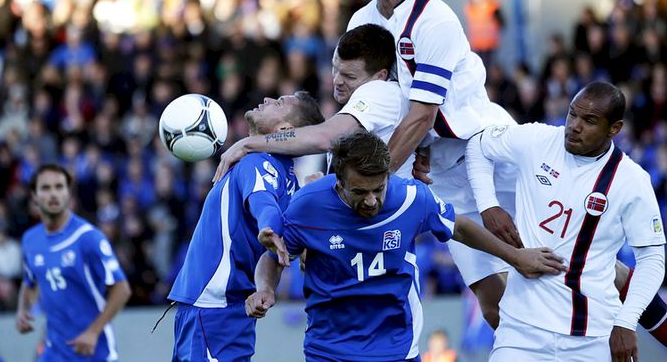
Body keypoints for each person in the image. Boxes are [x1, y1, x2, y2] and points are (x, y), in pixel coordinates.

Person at [345, 0, 667, 341]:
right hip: (442, 172)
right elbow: (376, 106)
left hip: (491, 152)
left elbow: (423, 114)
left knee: (567, 260)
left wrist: (376, 178)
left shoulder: (434, 18)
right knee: (495, 306)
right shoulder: (360, 21)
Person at [246, 131, 566, 362]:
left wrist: (516, 257)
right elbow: (274, 254)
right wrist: (266, 288)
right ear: (338, 183)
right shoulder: (308, 206)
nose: (371, 200)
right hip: (329, 348)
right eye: (360, 191)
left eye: (378, 188)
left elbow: (460, 227)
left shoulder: (411, 198)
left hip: (396, 346)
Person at [465, 82, 666, 361]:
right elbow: (478, 146)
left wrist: (626, 320)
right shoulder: (538, 139)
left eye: (589, 120)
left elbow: (653, 259)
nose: (574, 126)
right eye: (573, 114)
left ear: (614, 129)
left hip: (591, 337)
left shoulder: (632, 181)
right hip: (520, 331)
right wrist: (489, 206)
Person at [168, 91, 324, 362]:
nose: (266, 100)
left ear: (285, 130)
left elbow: (263, 203)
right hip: (215, 309)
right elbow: (277, 253)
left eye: (279, 103)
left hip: (214, 308)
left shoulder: (259, 161)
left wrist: (268, 227)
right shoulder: (289, 184)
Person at [213, 23, 413, 182]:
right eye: (336, 69)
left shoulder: (382, 91)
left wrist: (249, 144)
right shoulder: (365, 101)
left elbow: (325, 137)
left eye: (349, 76)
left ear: (380, 76)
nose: (337, 81)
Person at [16, 164, 131, 362]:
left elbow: (122, 289)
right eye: (45, 188)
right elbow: (30, 281)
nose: (53, 194)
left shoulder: (88, 238)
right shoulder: (30, 239)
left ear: (68, 193)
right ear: (34, 196)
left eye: (59, 187)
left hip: (92, 350)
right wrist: (22, 309)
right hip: (53, 350)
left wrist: (93, 332)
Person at [464, 0, 503, 67]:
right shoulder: (470, 6)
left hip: (490, 45)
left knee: (490, 68)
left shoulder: (492, 4)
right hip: (477, 45)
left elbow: (501, 21)